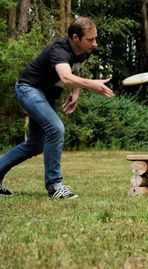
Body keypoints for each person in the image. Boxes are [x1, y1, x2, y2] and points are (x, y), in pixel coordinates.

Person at [0, 17, 114, 199]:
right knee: (56, 128)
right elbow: (66, 76)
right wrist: (93, 84)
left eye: (95, 38)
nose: (95, 43)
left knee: (35, 145)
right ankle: (55, 186)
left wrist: (75, 93)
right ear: (75, 38)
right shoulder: (59, 50)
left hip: (46, 95)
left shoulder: (84, 52)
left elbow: (75, 71)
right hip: (29, 89)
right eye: (90, 39)